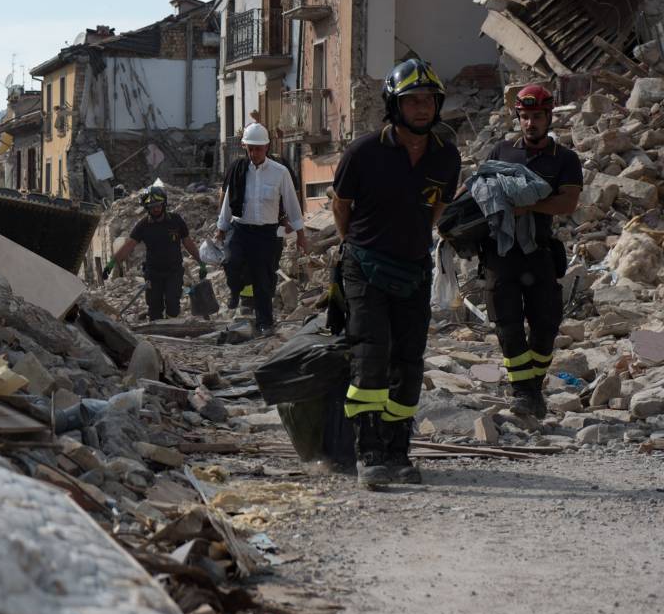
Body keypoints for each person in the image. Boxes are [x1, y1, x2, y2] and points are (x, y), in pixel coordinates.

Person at [331, 59, 461, 488]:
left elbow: (437, 208)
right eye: (412, 100)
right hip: (365, 266)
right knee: (371, 355)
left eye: (428, 100)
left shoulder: (447, 155)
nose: (422, 108)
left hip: (413, 268)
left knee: (407, 362)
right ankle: (368, 453)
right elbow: (341, 208)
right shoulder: (363, 153)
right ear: (395, 105)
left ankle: (397, 451)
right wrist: (360, 247)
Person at [483, 84, 581, 418]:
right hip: (502, 253)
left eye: (536, 117)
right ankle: (522, 392)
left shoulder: (564, 159)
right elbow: (482, 188)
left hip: (539, 252)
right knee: (507, 325)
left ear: (549, 117)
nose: (530, 124)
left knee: (546, 324)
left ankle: (534, 385)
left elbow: (568, 202)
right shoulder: (501, 151)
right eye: (524, 117)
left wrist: (530, 205)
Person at [216, 122, 306, 334]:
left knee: (263, 279)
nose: (254, 153)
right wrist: (221, 227)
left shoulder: (280, 172)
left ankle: (265, 323)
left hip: (266, 233)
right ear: (245, 147)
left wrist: (301, 235)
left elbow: (293, 204)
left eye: (258, 148)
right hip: (240, 229)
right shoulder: (239, 169)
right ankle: (235, 291)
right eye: (250, 148)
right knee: (230, 260)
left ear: (266, 147)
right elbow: (229, 200)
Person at [104, 185, 206, 319]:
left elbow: (188, 243)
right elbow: (128, 246)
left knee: (173, 306)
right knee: (154, 309)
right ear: (147, 208)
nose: (156, 209)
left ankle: (171, 332)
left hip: (173, 271)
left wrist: (201, 262)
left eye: (158, 205)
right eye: (152, 206)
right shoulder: (143, 225)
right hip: (153, 273)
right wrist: (111, 264)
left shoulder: (176, 221)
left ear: (164, 204)